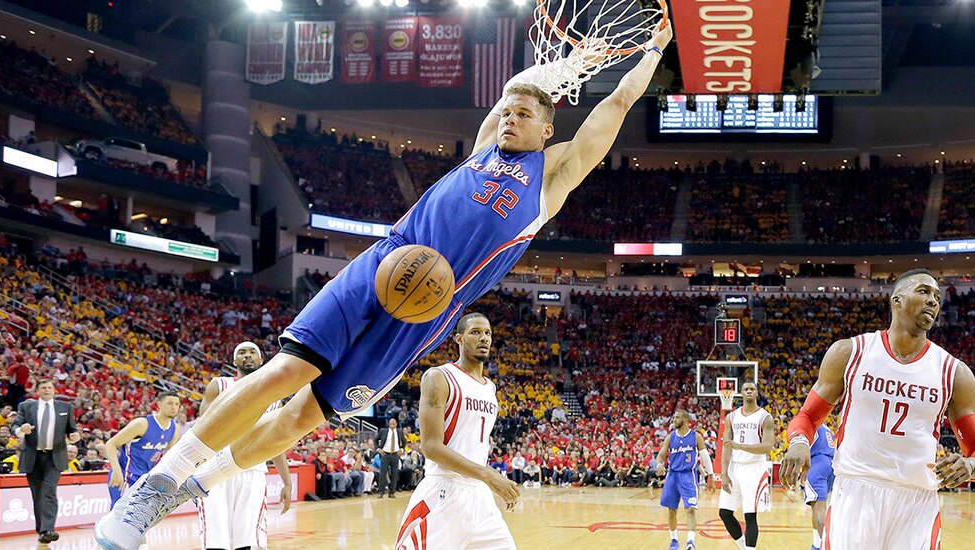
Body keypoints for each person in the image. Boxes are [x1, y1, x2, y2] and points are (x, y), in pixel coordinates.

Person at [96, 21, 675, 550]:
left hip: (426, 313)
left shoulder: (551, 180)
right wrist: (557, 69)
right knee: (285, 371)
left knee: (302, 418)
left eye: (523, 115)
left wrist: (650, 51)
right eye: (506, 110)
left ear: (548, 130)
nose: (509, 118)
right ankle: (156, 485)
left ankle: (197, 483)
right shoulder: (478, 152)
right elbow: (516, 86)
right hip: (383, 263)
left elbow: (620, 102)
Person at [780, 269, 975, 549]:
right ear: (897, 299)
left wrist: (971, 465)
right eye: (923, 291)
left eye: (937, 297)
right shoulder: (850, 353)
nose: (933, 301)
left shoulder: (953, 373)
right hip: (856, 492)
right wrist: (798, 442)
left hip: (917, 501)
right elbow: (808, 416)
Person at [395, 313, 516, 549]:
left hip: (480, 498)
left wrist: (489, 478)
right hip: (444, 491)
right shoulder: (439, 377)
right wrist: (487, 475)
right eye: (475, 332)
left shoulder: (490, 388)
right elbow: (430, 447)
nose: (484, 338)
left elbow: (471, 445)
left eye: (488, 333)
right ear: (459, 339)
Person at [197, 342, 292, 550]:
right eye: (241, 352)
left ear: (260, 360)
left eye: (252, 352)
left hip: (252, 469)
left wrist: (287, 482)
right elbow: (200, 430)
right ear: (234, 360)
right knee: (215, 539)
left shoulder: (274, 399)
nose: (247, 355)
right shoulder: (219, 385)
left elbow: (277, 442)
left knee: (247, 540)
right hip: (215, 470)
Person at [12, 379, 80, 544]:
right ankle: (42, 530)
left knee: (49, 491)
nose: (47, 390)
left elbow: (72, 429)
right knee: (37, 494)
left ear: (54, 390)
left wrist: (74, 435)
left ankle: (48, 529)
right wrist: (21, 430)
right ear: (38, 391)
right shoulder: (26, 407)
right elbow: (15, 426)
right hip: (32, 456)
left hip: (54, 456)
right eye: (43, 387)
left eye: (50, 387)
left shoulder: (65, 407)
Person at [718, 382, 775, 550]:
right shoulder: (732, 417)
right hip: (734, 468)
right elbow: (727, 447)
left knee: (750, 516)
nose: (749, 391)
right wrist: (724, 473)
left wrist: (739, 446)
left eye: (752, 389)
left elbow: (767, 447)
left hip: (755, 468)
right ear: (741, 393)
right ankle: (743, 546)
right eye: (746, 389)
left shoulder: (765, 417)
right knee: (725, 513)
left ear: (757, 393)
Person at [104, 391, 182, 508]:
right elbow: (111, 444)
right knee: (120, 515)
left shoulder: (175, 429)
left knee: (139, 518)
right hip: (126, 475)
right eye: (170, 403)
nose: (174, 407)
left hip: (146, 478)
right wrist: (116, 470)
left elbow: (167, 457)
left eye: (177, 404)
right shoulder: (142, 424)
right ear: (159, 404)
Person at [655, 410, 714, 550]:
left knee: (691, 509)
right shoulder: (670, 437)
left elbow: (705, 457)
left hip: (688, 475)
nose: (674, 420)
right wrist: (659, 465)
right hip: (672, 476)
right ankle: (674, 540)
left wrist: (710, 475)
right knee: (671, 510)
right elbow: (661, 455)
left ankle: (690, 542)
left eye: (677, 417)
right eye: (673, 417)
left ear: (686, 419)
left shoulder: (696, 436)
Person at [802, 423, 836, 550]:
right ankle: (816, 545)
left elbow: (803, 447)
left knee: (819, 511)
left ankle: (826, 546)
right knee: (820, 507)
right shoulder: (827, 428)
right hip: (831, 464)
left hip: (817, 463)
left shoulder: (810, 423)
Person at [376, 417, 404, 498]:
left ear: (396, 424)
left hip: (395, 454)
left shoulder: (399, 431)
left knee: (395, 474)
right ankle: (381, 492)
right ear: (389, 424)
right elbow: (375, 439)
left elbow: (404, 442)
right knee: (382, 473)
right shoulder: (383, 431)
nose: (392, 425)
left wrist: (401, 449)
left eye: (394, 423)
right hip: (385, 454)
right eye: (391, 423)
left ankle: (392, 492)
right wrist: (378, 449)